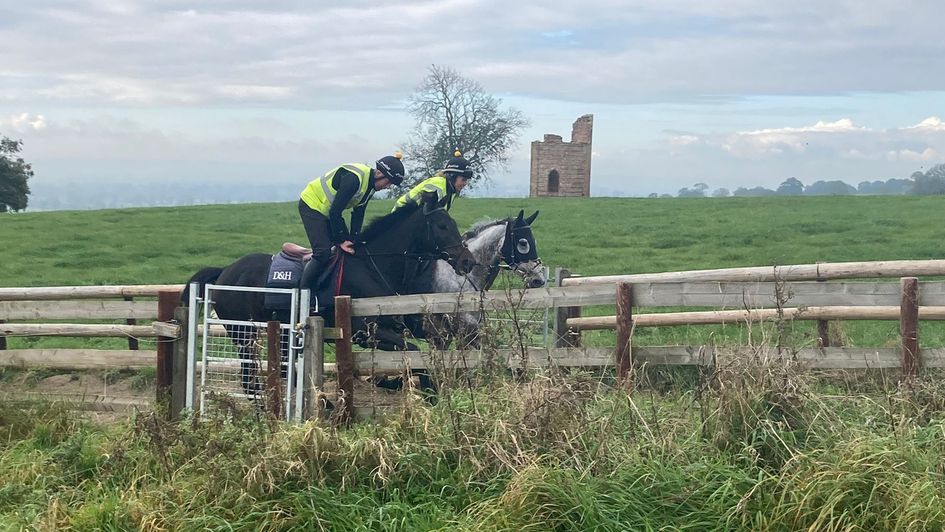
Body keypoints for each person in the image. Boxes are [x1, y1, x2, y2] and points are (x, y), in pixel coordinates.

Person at [297, 153, 405, 287]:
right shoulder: (355, 179)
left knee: (347, 250)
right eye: (388, 182)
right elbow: (335, 212)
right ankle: (304, 293)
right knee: (323, 253)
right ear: (378, 173)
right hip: (312, 205)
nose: (388, 187)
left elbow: (358, 214)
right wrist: (341, 240)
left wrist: (354, 239)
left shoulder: (370, 187)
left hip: (329, 211)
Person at [392, 150, 472, 212]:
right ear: (452, 176)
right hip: (401, 215)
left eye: (467, 180)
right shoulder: (437, 186)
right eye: (463, 180)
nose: (465, 184)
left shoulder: (451, 191)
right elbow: (425, 213)